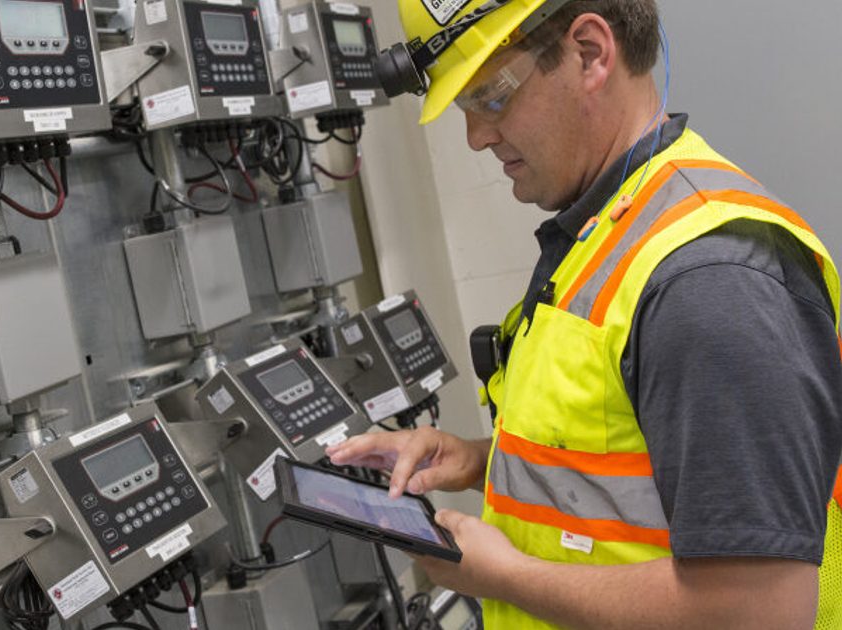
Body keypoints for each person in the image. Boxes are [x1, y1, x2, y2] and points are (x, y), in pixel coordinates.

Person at [327, 0, 842, 628]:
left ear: (591, 53)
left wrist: (500, 575)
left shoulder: (707, 282)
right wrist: (478, 460)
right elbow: (641, 460)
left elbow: (758, 612)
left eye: (490, 97)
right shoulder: (606, 229)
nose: (476, 136)